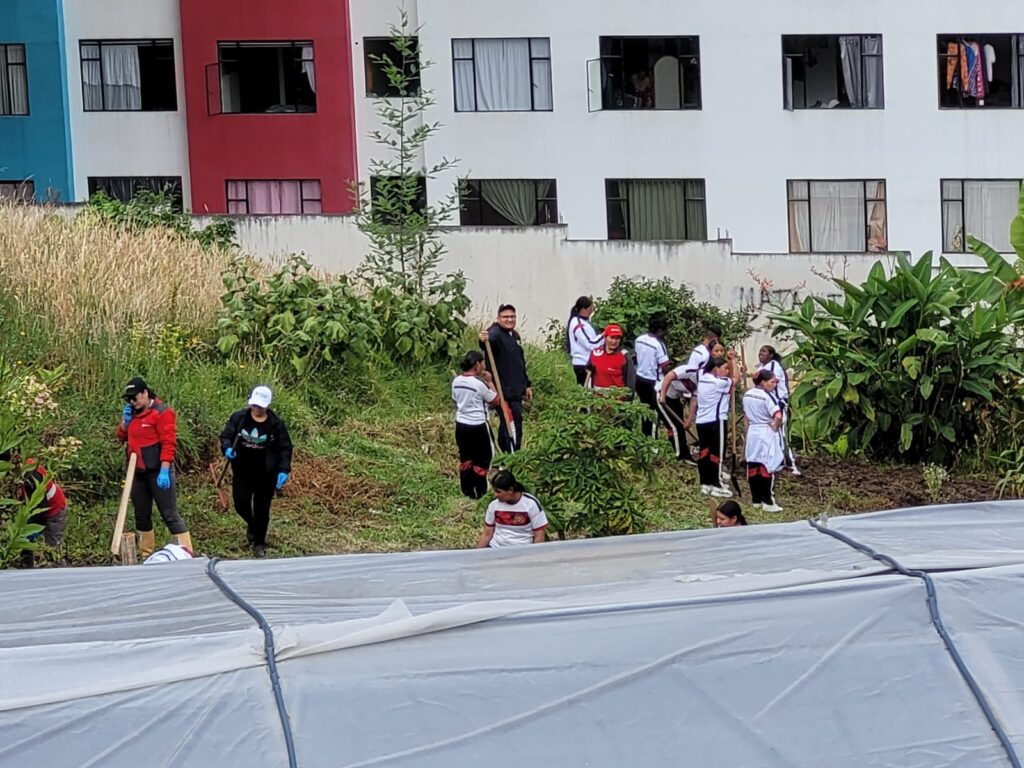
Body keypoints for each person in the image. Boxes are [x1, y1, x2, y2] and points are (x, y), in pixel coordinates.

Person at [117, 377, 190, 559]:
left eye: (135, 398)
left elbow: (169, 443)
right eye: (129, 399)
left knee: (169, 514)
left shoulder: (162, 413)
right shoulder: (132, 413)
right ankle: (145, 553)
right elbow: (122, 437)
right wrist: (124, 424)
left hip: (158, 470)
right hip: (137, 470)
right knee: (141, 515)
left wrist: (165, 469)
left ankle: (187, 552)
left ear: (145, 393)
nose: (132, 402)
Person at [220, 386, 293, 558]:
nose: (256, 409)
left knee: (262, 509)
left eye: (260, 406)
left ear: (267, 406)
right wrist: (227, 448)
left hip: (266, 473)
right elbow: (226, 436)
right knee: (240, 503)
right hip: (242, 470)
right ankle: (252, 524)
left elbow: (285, 448)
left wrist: (283, 469)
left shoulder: (275, 424)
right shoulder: (239, 418)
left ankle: (259, 541)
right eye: (254, 405)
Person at [679, 353, 739, 497]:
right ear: (715, 368)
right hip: (716, 421)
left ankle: (705, 483)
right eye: (725, 368)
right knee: (717, 453)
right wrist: (734, 360)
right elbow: (736, 379)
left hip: (702, 422)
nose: (727, 371)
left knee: (704, 453)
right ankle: (716, 484)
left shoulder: (703, 378)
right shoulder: (720, 383)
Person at [479, 304, 532, 452]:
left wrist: (527, 384)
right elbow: (488, 341)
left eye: (512, 317)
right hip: (503, 391)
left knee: (514, 422)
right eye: (505, 317)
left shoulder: (514, 336)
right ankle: (509, 454)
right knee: (509, 423)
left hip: (516, 389)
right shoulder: (495, 333)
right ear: (498, 318)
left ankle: (513, 452)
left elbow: (520, 363)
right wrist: (483, 340)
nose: (509, 319)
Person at [2, 453, 68, 568]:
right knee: (24, 543)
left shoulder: (30, 473)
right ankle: (26, 569)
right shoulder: (11, 477)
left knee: (52, 547)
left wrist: (30, 529)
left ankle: (60, 573)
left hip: (54, 508)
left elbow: (40, 504)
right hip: (32, 509)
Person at [452, 350, 498, 499]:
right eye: (482, 363)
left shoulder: (456, 381)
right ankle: (481, 491)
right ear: (477, 364)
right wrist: (490, 382)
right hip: (478, 424)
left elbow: (455, 400)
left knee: (466, 457)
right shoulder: (479, 384)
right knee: (484, 458)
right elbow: (495, 400)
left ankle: (466, 490)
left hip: (461, 424)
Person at [743, 369, 785, 513]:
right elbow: (778, 416)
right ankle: (768, 501)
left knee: (753, 465)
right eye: (772, 382)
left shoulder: (747, 394)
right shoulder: (767, 397)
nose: (774, 385)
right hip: (765, 431)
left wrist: (747, 432)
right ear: (763, 382)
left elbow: (746, 416)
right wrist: (776, 426)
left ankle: (756, 499)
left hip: (753, 431)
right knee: (768, 466)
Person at [756, 345, 800, 475]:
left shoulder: (773, 366)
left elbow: (768, 382)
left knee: (781, 434)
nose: (760, 353)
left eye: (764, 351)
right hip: (767, 404)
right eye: (760, 351)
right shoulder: (762, 367)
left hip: (778, 403)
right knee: (771, 433)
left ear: (771, 355)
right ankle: (774, 462)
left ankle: (790, 464)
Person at [475, 470, 548, 548]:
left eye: (498, 492)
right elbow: (487, 534)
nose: (495, 495)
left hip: (521, 550)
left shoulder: (531, 504)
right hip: (495, 548)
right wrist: (475, 555)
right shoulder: (494, 505)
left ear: (510, 490)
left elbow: (539, 535)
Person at [633, 316, 672, 438]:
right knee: (654, 412)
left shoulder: (639, 339)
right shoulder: (659, 345)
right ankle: (652, 442)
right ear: (660, 331)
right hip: (653, 382)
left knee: (645, 410)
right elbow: (665, 367)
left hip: (639, 379)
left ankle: (645, 436)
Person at [655, 365, 696, 465]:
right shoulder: (689, 370)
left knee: (681, 427)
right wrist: (663, 395)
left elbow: (694, 400)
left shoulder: (702, 382)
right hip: (661, 396)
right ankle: (679, 457)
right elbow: (669, 376)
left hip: (675, 398)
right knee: (674, 427)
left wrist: (689, 421)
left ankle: (685, 454)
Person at [586, 324, 633, 393]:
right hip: (598, 400)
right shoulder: (595, 353)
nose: (614, 341)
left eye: (617, 338)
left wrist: (628, 400)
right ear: (605, 338)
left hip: (617, 401)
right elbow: (588, 371)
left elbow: (630, 381)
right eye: (612, 338)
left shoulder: (624, 356)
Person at [567, 296, 603, 385]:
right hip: (583, 364)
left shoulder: (584, 322)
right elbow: (590, 344)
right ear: (584, 309)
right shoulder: (578, 324)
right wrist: (605, 335)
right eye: (591, 308)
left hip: (587, 362)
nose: (592, 310)